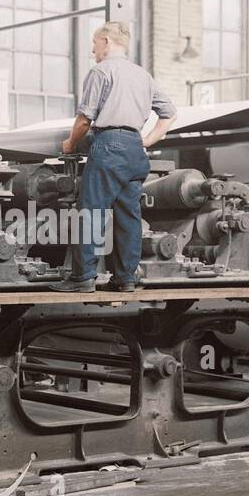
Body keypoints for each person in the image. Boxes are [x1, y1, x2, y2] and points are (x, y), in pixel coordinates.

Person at [53, 22, 177, 293]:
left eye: (95, 44)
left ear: (107, 42)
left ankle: (84, 277)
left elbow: (85, 120)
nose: (92, 49)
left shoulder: (101, 71)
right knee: (128, 216)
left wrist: (70, 144)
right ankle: (125, 278)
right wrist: (146, 140)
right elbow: (169, 113)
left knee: (92, 211)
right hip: (135, 149)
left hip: (109, 146)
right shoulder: (143, 76)